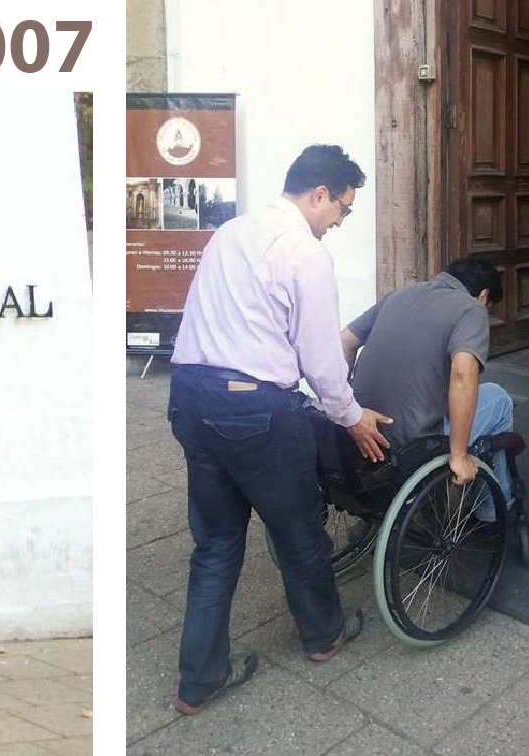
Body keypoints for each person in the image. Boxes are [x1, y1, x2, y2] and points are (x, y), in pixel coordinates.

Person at [166, 144, 386, 715]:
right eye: (343, 209)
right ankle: (324, 635)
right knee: (298, 532)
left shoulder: (232, 231)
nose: (339, 222)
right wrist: (351, 415)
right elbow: (318, 356)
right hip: (255, 409)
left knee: (214, 545)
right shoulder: (303, 252)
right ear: (319, 194)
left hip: (189, 396)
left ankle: (199, 680)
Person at [338, 257, 527, 555]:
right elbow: (463, 374)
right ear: (483, 296)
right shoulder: (471, 310)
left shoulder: (398, 296)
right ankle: (494, 511)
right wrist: (458, 454)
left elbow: (345, 342)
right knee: (499, 399)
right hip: (413, 441)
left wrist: (345, 402)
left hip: (365, 426)